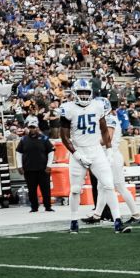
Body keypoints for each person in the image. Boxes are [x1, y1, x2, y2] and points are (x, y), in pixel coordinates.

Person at [57, 78, 130, 235]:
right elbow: (64, 136)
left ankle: (118, 221)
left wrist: (109, 149)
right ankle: (74, 221)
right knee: (76, 189)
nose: (83, 95)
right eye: (80, 92)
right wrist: (76, 154)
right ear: (75, 93)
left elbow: (104, 130)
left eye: (86, 92)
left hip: (96, 150)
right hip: (79, 151)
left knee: (109, 185)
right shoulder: (67, 108)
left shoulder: (98, 105)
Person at [88, 112, 140, 224]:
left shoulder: (109, 118)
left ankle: (136, 215)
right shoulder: (106, 118)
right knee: (101, 187)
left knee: (120, 187)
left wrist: (89, 143)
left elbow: (108, 138)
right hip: (106, 156)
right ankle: (97, 215)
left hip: (112, 156)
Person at [16, 115, 53, 212]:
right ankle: (34, 207)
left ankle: (48, 206)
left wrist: (49, 165)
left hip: (43, 169)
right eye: (30, 128)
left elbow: (51, 151)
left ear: (37, 128)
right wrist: (19, 166)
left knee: (45, 189)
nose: (32, 130)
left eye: (34, 127)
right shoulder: (24, 140)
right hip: (29, 169)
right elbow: (18, 152)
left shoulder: (44, 139)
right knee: (31, 190)